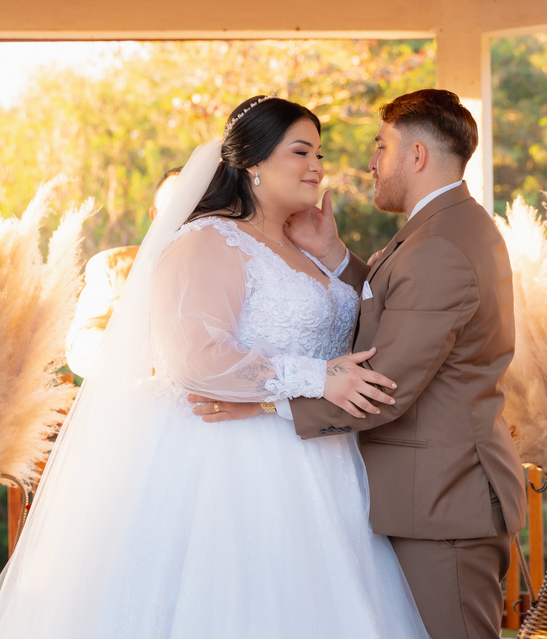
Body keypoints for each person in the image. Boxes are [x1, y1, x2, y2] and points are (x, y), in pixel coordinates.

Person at [0, 96, 429, 639]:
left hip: (327, 461)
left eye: (319, 154)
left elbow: (371, 317)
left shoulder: (304, 246)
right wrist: (319, 377)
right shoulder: (207, 239)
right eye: (301, 152)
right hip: (231, 462)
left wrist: (332, 252)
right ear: (253, 162)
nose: (316, 167)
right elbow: (196, 358)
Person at [195, 89, 527, 639]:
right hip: (427, 495)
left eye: (381, 146)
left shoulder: (439, 244)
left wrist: (264, 403)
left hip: (441, 502)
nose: (371, 162)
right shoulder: (447, 227)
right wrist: (333, 255)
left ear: (416, 155)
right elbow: (399, 308)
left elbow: (382, 387)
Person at [65, 168, 181, 377]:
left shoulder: (231, 269)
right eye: (174, 207)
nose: (183, 217)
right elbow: (79, 345)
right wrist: (147, 353)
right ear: (155, 216)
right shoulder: (111, 267)